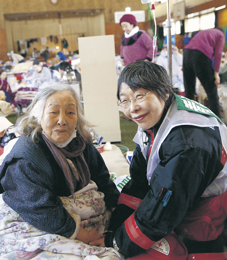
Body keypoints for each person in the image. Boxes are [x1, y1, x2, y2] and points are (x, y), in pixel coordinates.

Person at [90, 61, 227, 259]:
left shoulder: (186, 143)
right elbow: (139, 180)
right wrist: (115, 226)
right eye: (125, 100)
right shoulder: (155, 117)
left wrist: (117, 243)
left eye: (139, 96)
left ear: (164, 92)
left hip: (211, 213)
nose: (133, 108)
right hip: (185, 199)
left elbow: (164, 207)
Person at [0, 83, 120, 258]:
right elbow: (40, 209)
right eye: (53, 112)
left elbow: (103, 181)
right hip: (39, 219)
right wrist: (84, 235)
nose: (62, 120)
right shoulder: (25, 158)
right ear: (38, 116)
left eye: (70, 112)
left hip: (72, 220)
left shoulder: (81, 144)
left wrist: (118, 215)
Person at [183, 27, 225, 117]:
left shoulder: (205, 32)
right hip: (200, 55)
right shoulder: (221, 35)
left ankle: (190, 119)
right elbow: (218, 54)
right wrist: (216, 73)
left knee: (189, 91)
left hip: (186, 54)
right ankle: (217, 121)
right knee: (212, 91)